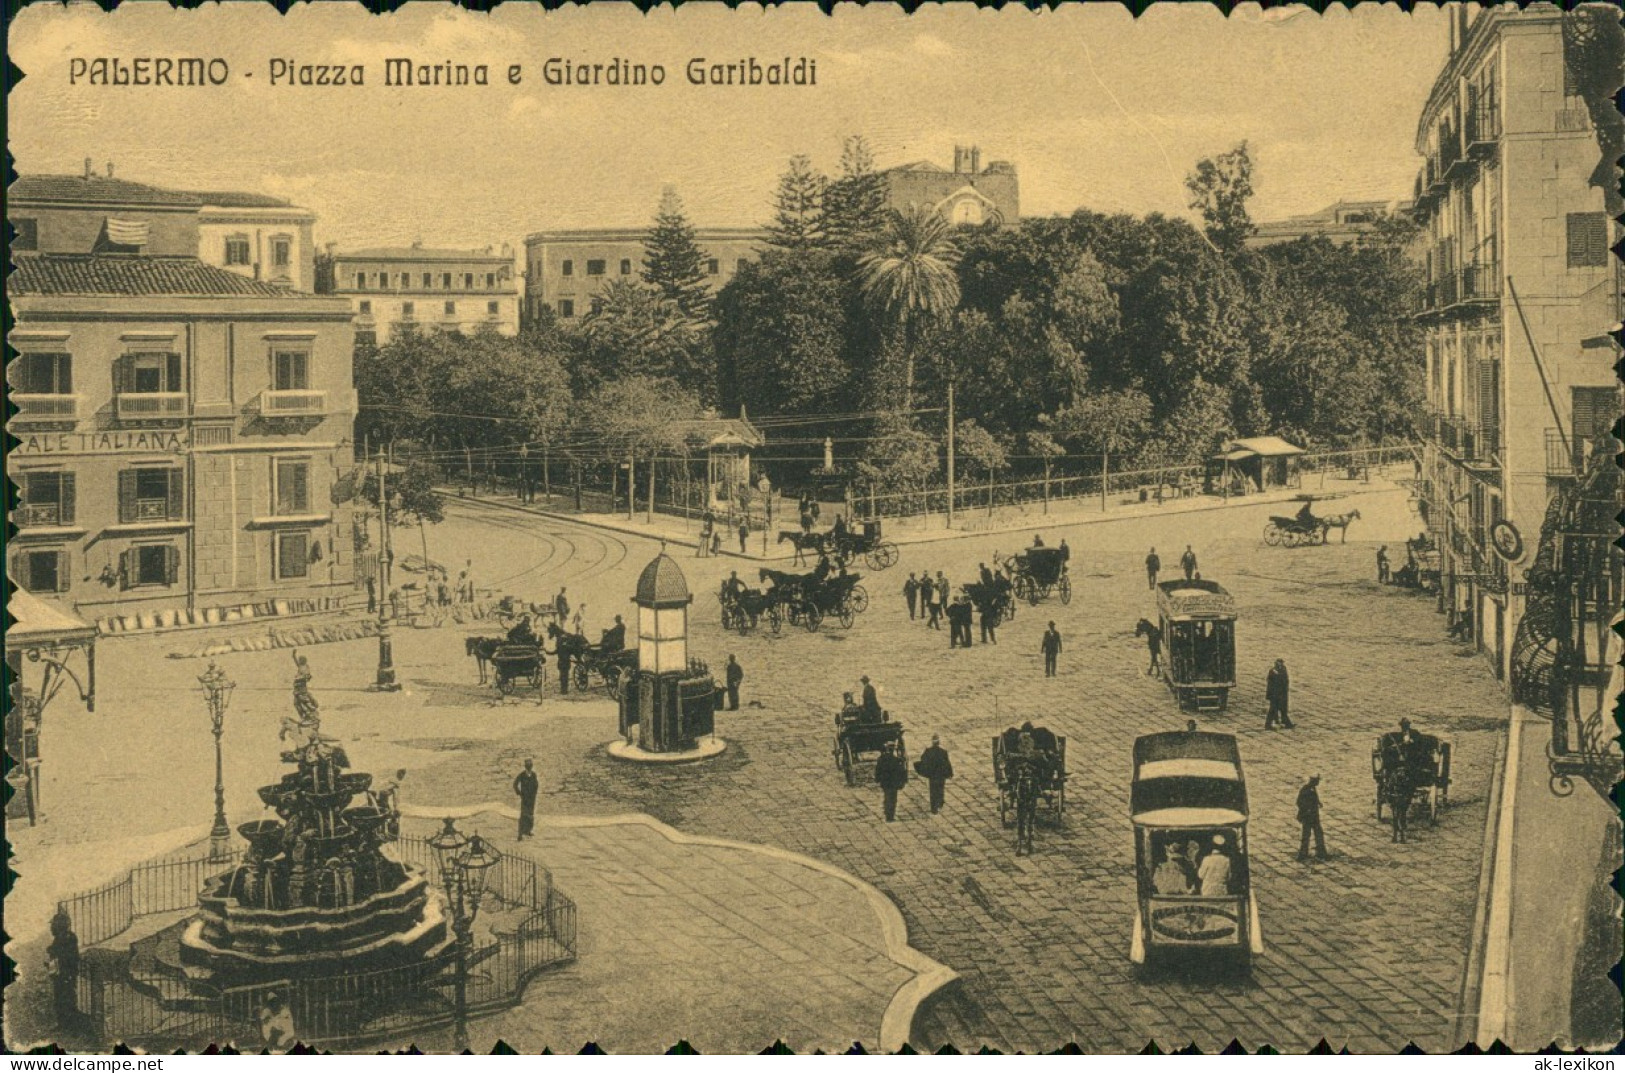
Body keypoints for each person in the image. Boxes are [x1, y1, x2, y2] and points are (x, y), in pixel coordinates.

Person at [46, 907, 80, 1031]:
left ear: (59, 927)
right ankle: (63, 1024)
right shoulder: (63, 937)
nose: (51, 928)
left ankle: (68, 1025)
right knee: (61, 998)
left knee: (66, 999)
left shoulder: (67, 938)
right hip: (61, 974)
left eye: (54, 926)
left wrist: (53, 951)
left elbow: (69, 957)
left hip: (66, 974)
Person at [915, 735, 954, 814]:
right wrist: (950, 773)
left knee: (933, 790)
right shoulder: (943, 752)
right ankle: (940, 802)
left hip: (932, 775)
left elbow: (923, 759)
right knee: (940, 789)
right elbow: (947, 763)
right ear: (939, 742)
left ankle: (934, 808)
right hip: (940, 775)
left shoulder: (928, 751)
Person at [875, 742, 909, 822]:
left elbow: (878, 770)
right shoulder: (896, 760)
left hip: (885, 783)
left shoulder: (881, 759)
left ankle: (887, 813)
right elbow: (902, 771)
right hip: (894, 783)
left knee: (887, 797)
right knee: (893, 799)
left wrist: (877, 779)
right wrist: (903, 781)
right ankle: (891, 815)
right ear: (893, 750)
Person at [1297, 774, 1327, 861]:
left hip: (1314, 816)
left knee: (1318, 833)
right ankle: (1302, 854)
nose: (1318, 782)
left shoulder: (1312, 788)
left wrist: (1318, 802)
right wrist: (1307, 810)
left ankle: (1321, 852)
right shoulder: (1305, 790)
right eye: (1317, 781)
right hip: (1308, 817)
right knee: (1306, 835)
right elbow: (1299, 802)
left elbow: (1315, 797)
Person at [513, 759, 539, 840]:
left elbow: (536, 784)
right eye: (528, 766)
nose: (529, 768)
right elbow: (515, 784)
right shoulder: (522, 775)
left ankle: (528, 830)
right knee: (523, 815)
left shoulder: (534, 775)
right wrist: (519, 793)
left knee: (530, 815)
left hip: (531, 798)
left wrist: (534, 793)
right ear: (525, 767)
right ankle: (520, 834)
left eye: (530, 766)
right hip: (525, 798)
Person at [1266, 658, 1294, 729]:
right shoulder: (1272, 671)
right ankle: (1268, 724)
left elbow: (1286, 680)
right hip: (1275, 695)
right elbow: (1270, 684)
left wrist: (1286, 690)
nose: (1280, 665)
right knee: (1272, 710)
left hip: (1282, 694)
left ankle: (1286, 722)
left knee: (1283, 709)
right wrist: (1269, 695)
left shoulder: (1284, 669)